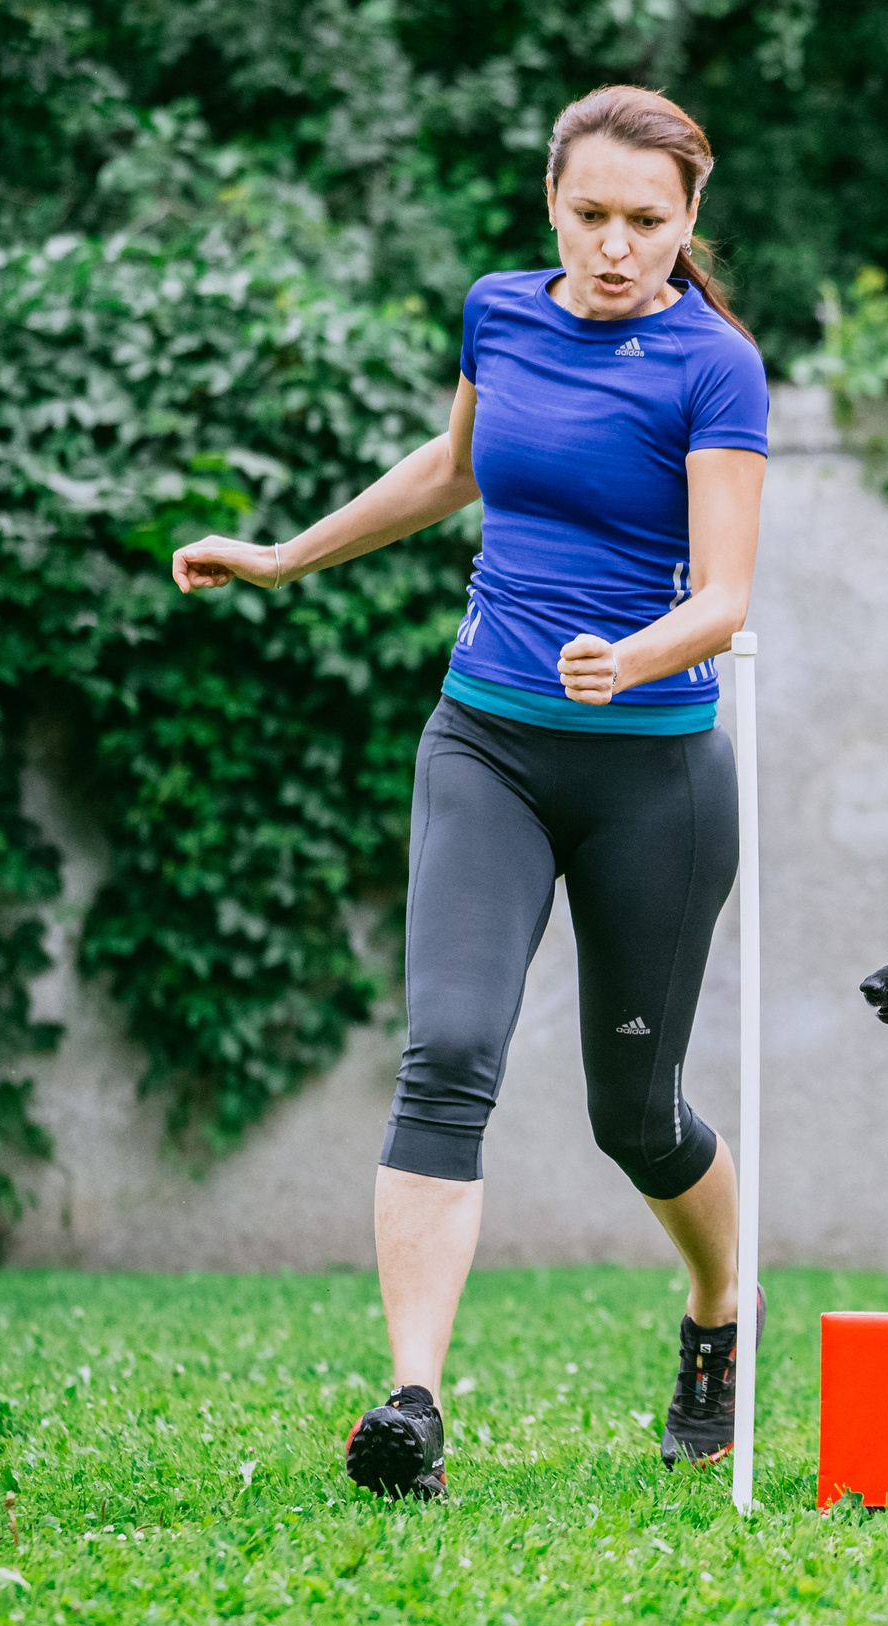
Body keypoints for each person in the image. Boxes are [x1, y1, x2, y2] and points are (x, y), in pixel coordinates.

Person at [168, 85, 768, 1497]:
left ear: (690, 219)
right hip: (487, 739)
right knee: (446, 1049)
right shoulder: (498, 311)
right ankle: (413, 1402)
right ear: (551, 202)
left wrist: (632, 652)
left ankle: (720, 1308)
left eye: (649, 221)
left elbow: (729, 593)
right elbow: (448, 470)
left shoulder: (715, 367)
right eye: (592, 214)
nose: (618, 246)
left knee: (638, 1109)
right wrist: (282, 554)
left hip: (654, 771)